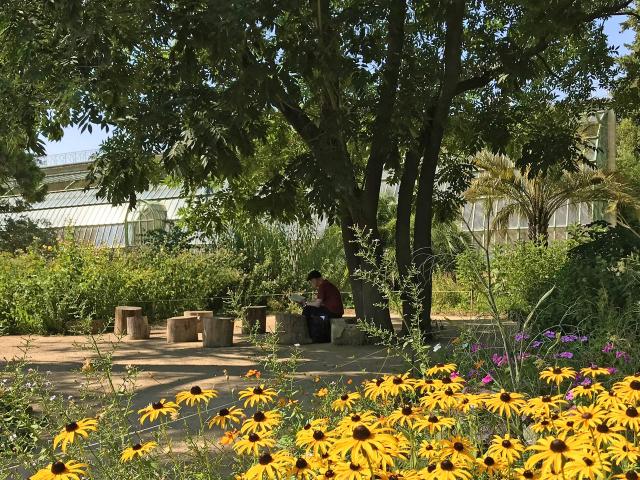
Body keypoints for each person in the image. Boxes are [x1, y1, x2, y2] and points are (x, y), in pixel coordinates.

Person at [299, 270, 344, 342]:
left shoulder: (323, 286)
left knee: (307, 309)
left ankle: (307, 334)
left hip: (332, 312)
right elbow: (322, 303)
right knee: (310, 309)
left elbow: (317, 304)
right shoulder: (327, 284)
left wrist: (305, 303)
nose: (310, 283)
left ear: (315, 279)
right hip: (337, 312)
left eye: (311, 281)